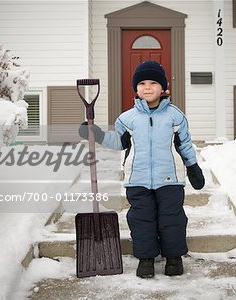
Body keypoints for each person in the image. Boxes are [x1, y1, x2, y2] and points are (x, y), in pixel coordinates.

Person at [78, 60, 205, 278]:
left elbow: (184, 144)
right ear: (135, 89)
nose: (147, 87)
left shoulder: (175, 116)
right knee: (141, 220)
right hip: (137, 179)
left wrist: (192, 166)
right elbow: (119, 142)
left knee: (172, 218)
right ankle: (145, 258)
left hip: (170, 180)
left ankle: (173, 258)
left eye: (153, 82)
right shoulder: (127, 119)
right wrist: (97, 135)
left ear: (164, 87)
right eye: (142, 83)